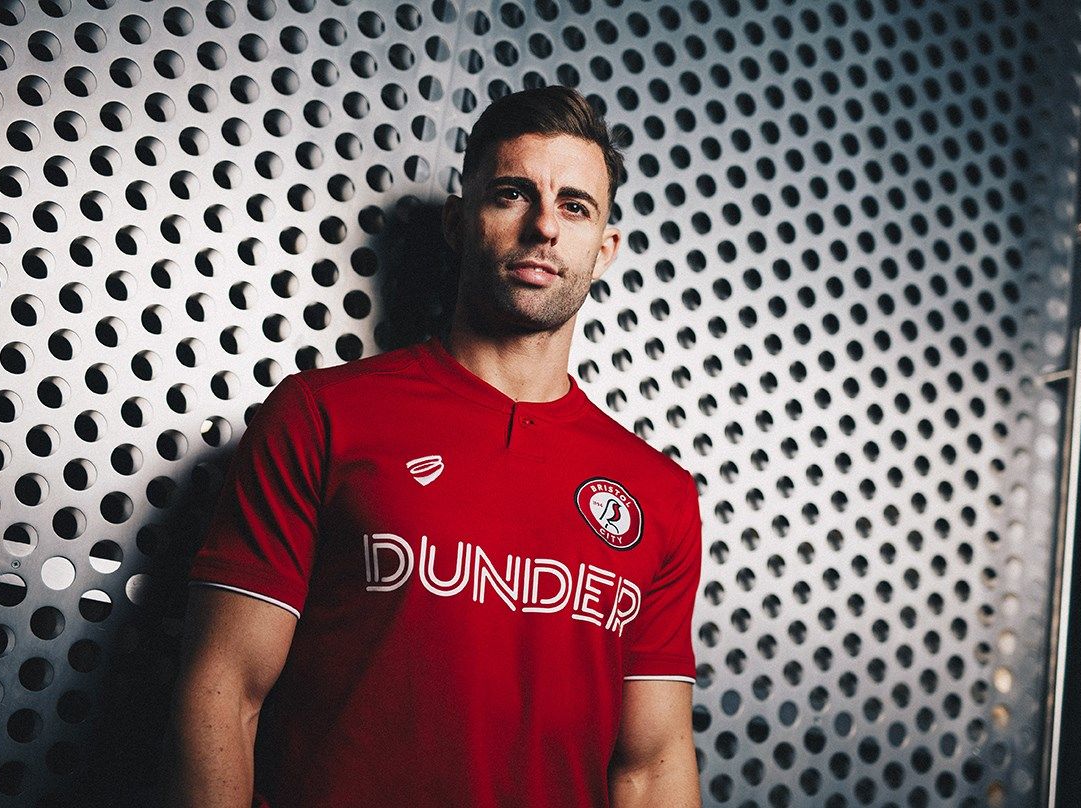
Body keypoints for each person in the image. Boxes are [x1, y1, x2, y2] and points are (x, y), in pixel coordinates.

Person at [167, 86, 704, 808]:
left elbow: (652, 766)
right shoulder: (323, 415)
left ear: (603, 249)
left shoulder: (660, 494)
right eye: (512, 194)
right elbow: (222, 689)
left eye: (575, 206)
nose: (544, 225)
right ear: (460, 220)